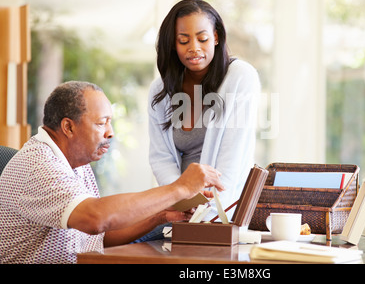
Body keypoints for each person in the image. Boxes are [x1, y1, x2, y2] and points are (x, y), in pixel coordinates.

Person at [0, 81, 224, 264]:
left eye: (110, 122)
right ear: (68, 127)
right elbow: (96, 219)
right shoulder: (38, 165)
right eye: (101, 123)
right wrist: (179, 188)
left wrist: (161, 214)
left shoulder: (76, 163)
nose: (111, 133)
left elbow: (98, 236)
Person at [148, 0, 260, 219]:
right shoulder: (160, 90)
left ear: (216, 37)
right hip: (180, 208)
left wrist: (206, 210)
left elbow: (233, 156)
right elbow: (160, 157)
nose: (194, 48)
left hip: (224, 210)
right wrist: (181, 199)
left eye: (203, 38)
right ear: (172, 43)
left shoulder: (240, 77)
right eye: (183, 40)